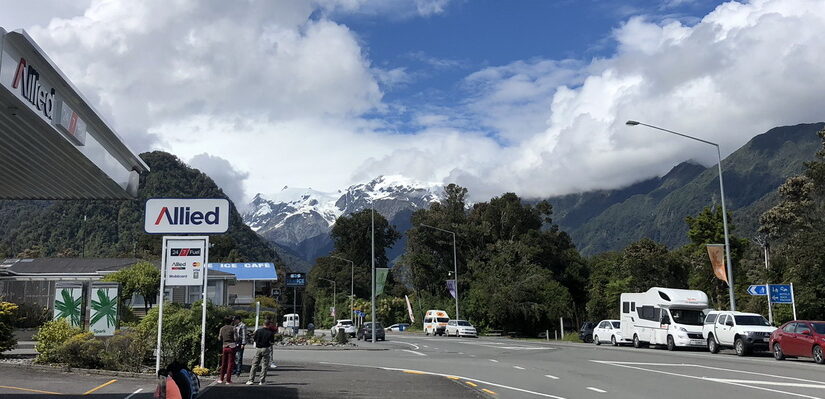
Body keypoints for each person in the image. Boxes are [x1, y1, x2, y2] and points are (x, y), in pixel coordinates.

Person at [246, 320, 276, 385]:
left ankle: (250, 380)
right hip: (266, 348)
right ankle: (262, 380)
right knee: (264, 365)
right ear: (269, 325)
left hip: (258, 348)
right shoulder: (270, 333)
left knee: (254, 364)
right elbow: (272, 342)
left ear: (263, 324)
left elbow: (254, 339)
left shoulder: (258, 331)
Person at [217, 317, 237, 384]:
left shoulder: (222, 328)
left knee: (223, 363)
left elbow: (219, 338)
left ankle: (221, 379)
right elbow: (235, 337)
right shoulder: (233, 328)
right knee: (230, 363)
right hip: (232, 346)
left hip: (224, 346)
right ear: (231, 322)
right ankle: (228, 380)